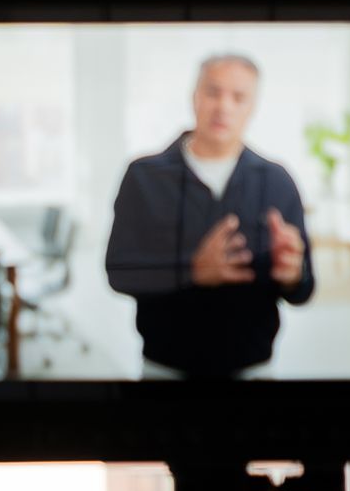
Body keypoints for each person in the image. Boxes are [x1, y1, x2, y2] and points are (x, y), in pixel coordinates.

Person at [104, 54, 315, 378]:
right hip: (165, 366)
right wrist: (192, 270)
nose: (224, 107)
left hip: (253, 367)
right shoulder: (143, 177)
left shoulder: (278, 181)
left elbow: (303, 290)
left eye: (238, 97)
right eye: (213, 92)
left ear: (253, 107)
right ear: (195, 97)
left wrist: (292, 273)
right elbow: (118, 273)